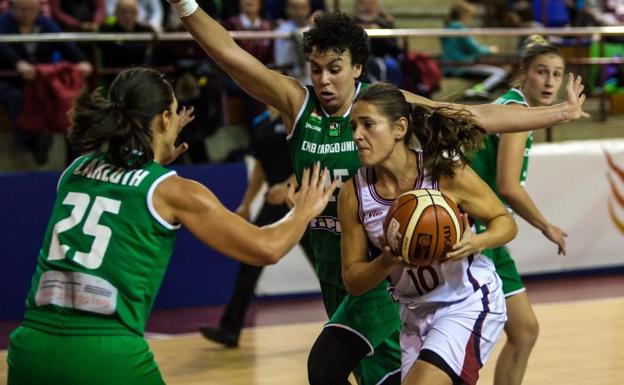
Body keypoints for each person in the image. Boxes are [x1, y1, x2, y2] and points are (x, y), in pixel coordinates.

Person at [166, 3, 587, 384]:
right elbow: (231, 56)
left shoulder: (383, 107)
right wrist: (185, 6)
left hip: (390, 271)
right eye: (316, 69)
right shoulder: (299, 103)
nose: (324, 79)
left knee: (342, 369)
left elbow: (471, 115)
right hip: (338, 266)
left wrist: (560, 113)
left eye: (335, 68)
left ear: (356, 69)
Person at [6, 67, 337, 385]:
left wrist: (153, 159)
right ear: (165, 119)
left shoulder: (75, 170)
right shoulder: (172, 190)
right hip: (106, 354)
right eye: (175, 113)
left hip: (30, 347)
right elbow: (266, 248)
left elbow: (122, 183)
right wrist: (305, 209)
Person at [340, 82, 516, 385]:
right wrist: (385, 261)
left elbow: (504, 222)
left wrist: (477, 240)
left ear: (399, 128)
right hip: (414, 315)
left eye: (368, 125)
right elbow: (353, 281)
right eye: (354, 126)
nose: (357, 135)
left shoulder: (444, 172)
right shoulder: (354, 194)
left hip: (467, 302)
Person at [470, 35, 568, 385]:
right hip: (476, 235)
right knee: (466, 339)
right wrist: (547, 226)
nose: (550, 82)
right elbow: (509, 186)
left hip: (483, 233)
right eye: (542, 72)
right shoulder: (517, 113)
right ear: (523, 73)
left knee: (524, 331)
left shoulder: (512, 106)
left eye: (557, 74)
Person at [200, 106, 316, 347]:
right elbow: (261, 169)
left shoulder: (298, 118)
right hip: (273, 202)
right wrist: (246, 203)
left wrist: (287, 186)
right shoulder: (260, 123)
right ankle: (229, 329)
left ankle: (354, 322)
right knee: (250, 259)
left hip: (302, 199)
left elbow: (314, 159)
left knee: (324, 264)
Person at [441, 0, 509, 99]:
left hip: (449, 67)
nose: (469, 18)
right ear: (464, 14)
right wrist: (491, 50)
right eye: (469, 15)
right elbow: (476, 49)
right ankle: (477, 90)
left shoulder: (447, 28)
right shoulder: (459, 28)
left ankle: (479, 90)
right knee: (500, 73)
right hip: (461, 66)